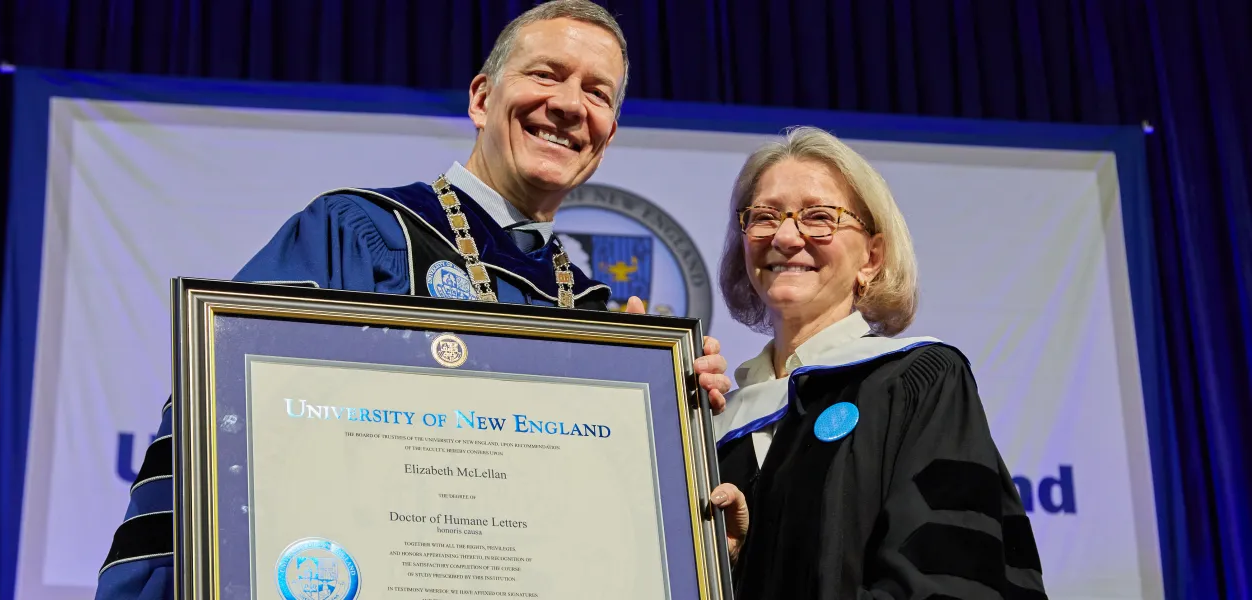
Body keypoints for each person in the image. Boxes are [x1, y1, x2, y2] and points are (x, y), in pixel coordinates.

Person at [93, 2, 732, 598]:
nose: (569, 105)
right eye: (548, 74)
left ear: (607, 135)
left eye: (597, 93)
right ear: (482, 98)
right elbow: (225, 416)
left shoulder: (597, 319)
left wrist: (671, 443)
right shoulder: (357, 233)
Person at [706, 126, 1046, 599]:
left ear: (872, 257)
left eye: (819, 216)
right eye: (763, 216)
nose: (785, 236)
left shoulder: (916, 382)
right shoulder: (712, 429)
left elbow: (952, 576)